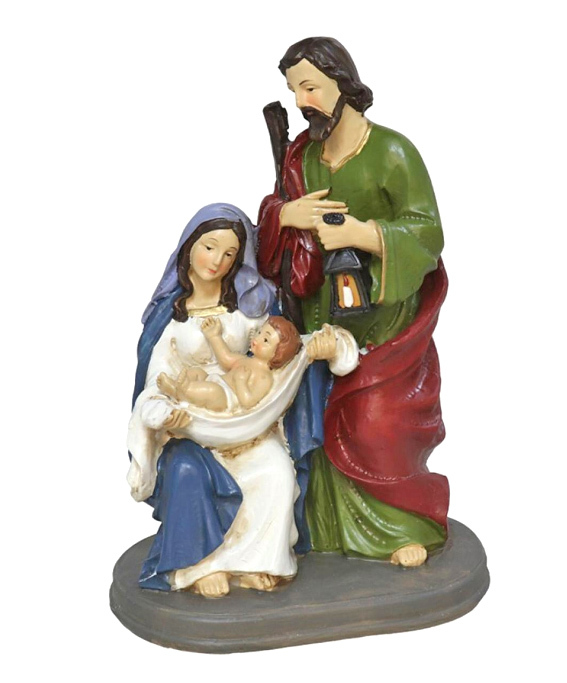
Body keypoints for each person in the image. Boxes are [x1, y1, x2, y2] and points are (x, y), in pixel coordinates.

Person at [257, 37, 450, 568]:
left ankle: (402, 525)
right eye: (294, 90)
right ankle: (321, 529)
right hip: (318, 311)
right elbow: (275, 213)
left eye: (311, 87)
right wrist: (285, 216)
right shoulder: (303, 155)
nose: (302, 102)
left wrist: (363, 234)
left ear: (344, 84)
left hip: (382, 318)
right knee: (314, 420)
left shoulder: (391, 151)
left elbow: (427, 232)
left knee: (374, 422)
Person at [127, 203, 348, 597]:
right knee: (185, 471)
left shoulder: (249, 308)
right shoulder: (171, 318)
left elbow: (282, 350)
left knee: (277, 473)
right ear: (189, 247)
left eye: (229, 253)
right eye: (209, 247)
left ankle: (257, 563)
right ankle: (200, 567)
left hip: (247, 424)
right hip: (195, 428)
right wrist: (163, 414)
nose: (217, 261)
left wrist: (322, 349)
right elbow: (154, 384)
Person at [157, 316, 302, 412]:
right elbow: (225, 358)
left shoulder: (264, 378)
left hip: (225, 398)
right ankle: (181, 385)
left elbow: (248, 402)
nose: (257, 339)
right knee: (197, 372)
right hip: (215, 381)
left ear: (277, 354)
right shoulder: (245, 360)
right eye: (259, 332)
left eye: (265, 340)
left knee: (212, 391)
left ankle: (178, 391)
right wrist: (214, 335)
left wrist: (241, 382)